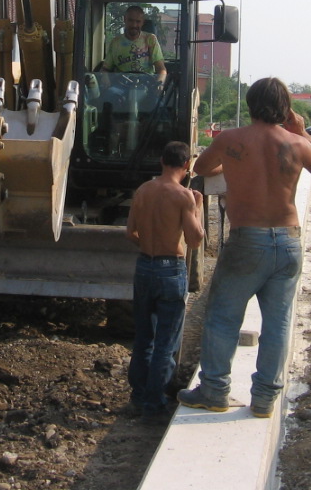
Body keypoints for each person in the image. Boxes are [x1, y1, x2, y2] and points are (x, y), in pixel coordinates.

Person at [177, 77, 311, 418]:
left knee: (222, 316)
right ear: (285, 109)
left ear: (250, 104)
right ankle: (264, 400)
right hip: (287, 240)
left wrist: (233, 167)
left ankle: (215, 390)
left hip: (248, 240)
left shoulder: (232, 139)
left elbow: (202, 167)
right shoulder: (295, 143)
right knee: (277, 322)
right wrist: (304, 132)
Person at [125, 140, 205, 421]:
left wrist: (149, 247)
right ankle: (155, 404)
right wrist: (197, 207)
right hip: (171, 268)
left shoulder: (143, 191)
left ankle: (137, 396)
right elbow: (195, 240)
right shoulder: (183, 196)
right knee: (165, 343)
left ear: (161, 161)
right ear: (187, 165)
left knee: (144, 338)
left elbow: (130, 232)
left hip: (144, 266)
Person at [102, 5, 167, 88]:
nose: (134, 25)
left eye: (138, 21)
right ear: (124, 19)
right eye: (130, 20)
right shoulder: (115, 42)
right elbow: (105, 69)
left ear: (143, 22)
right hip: (121, 86)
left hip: (146, 86)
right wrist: (105, 79)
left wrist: (159, 84)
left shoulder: (150, 39)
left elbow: (161, 69)